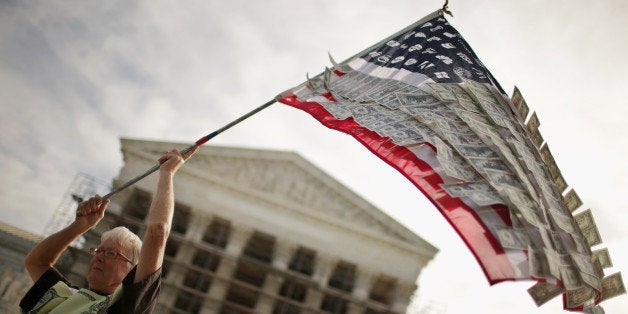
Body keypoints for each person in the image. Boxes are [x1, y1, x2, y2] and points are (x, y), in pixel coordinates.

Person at [20, 147, 197, 313]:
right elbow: (36, 262)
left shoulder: (126, 306)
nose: (99, 257)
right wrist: (80, 226)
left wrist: (167, 174)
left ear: (132, 270)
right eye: (98, 250)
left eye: (112, 254)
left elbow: (157, 233)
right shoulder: (64, 296)